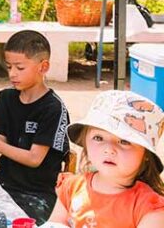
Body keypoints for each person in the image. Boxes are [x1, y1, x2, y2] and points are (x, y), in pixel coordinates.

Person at [0, 30, 70, 223]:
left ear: (43, 67)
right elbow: (3, 143)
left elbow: (34, 158)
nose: (12, 74)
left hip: (38, 193)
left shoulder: (53, 108)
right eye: (9, 67)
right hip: (3, 183)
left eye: (20, 68)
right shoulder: (6, 98)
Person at [48, 90, 164, 228]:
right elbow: (55, 224)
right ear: (85, 142)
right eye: (98, 138)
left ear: (146, 155)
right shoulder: (71, 187)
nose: (108, 149)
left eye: (124, 141)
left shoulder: (150, 208)